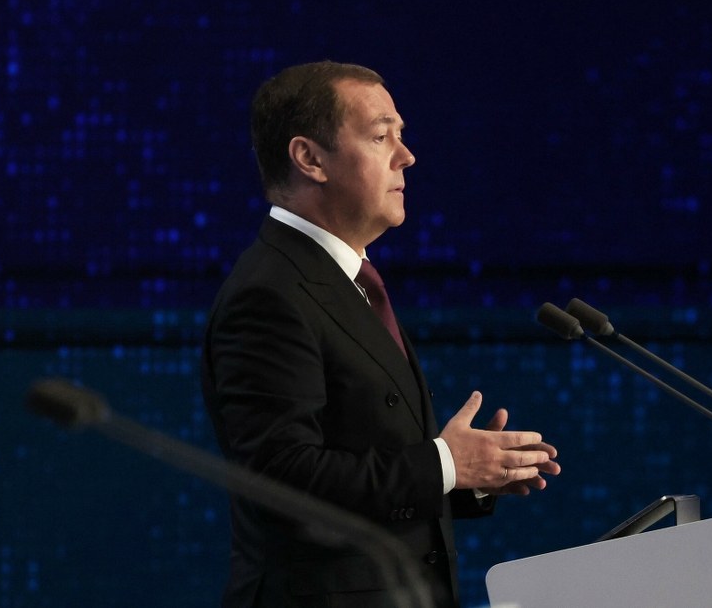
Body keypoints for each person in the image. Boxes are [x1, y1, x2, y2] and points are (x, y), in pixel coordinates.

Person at [201, 60, 560, 608]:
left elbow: (363, 471)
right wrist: (445, 463)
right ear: (309, 159)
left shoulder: (347, 281)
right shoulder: (270, 293)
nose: (406, 156)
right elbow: (282, 482)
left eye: (401, 135)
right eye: (380, 136)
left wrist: (467, 476)